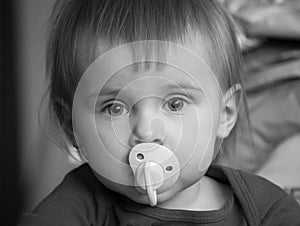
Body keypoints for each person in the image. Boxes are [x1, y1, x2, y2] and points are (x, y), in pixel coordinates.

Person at [18, 0, 300, 225]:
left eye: (175, 104)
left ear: (224, 114)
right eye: (114, 108)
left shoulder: (266, 210)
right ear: (73, 130)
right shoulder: (79, 205)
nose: (147, 132)